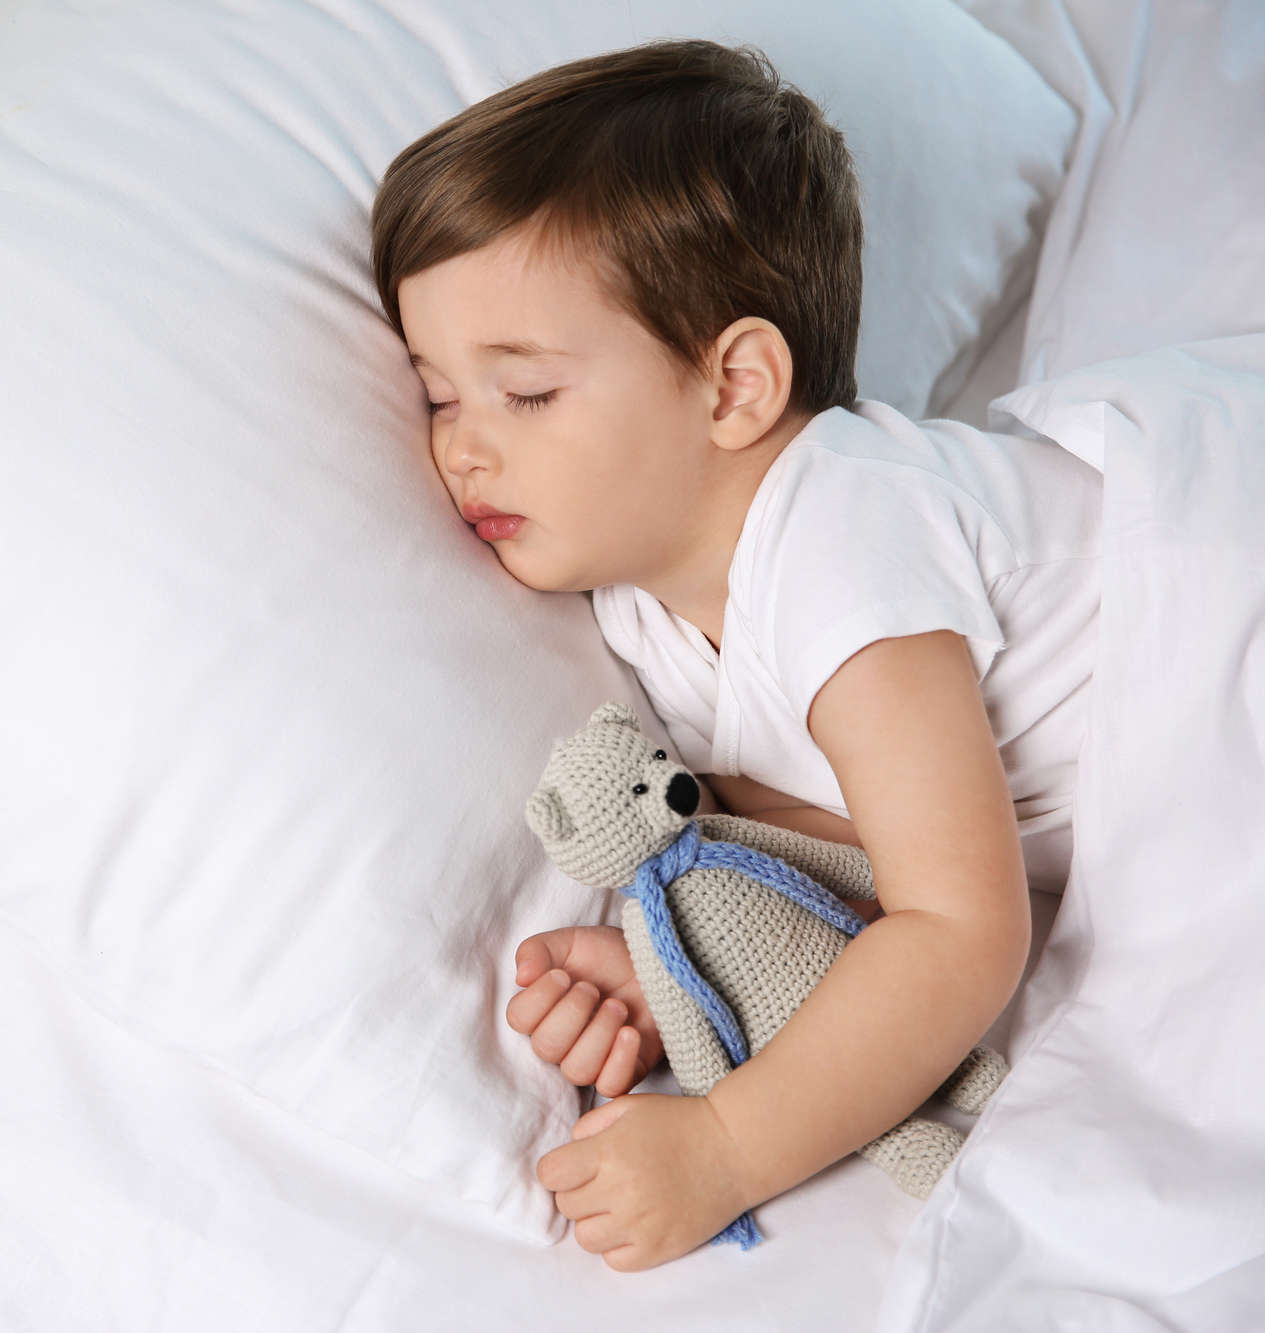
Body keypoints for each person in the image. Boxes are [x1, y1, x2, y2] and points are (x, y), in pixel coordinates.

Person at [368, 39, 1100, 1271]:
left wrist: (727, 1146)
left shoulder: (841, 529)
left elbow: (960, 926)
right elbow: (858, 839)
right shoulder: (644, 617)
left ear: (734, 388)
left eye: (526, 394)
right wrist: (680, 961)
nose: (463, 451)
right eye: (440, 397)